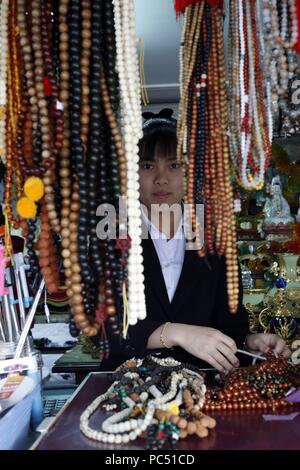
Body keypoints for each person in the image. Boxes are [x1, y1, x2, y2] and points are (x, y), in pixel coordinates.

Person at [126, 110, 290, 372]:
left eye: (174, 165)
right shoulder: (115, 234)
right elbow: (104, 331)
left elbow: (229, 327)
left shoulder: (214, 238)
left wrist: (250, 342)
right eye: (147, 166)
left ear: (190, 172)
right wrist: (177, 333)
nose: (161, 178)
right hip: (126, 384)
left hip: (203, 385)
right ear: (131, 173)